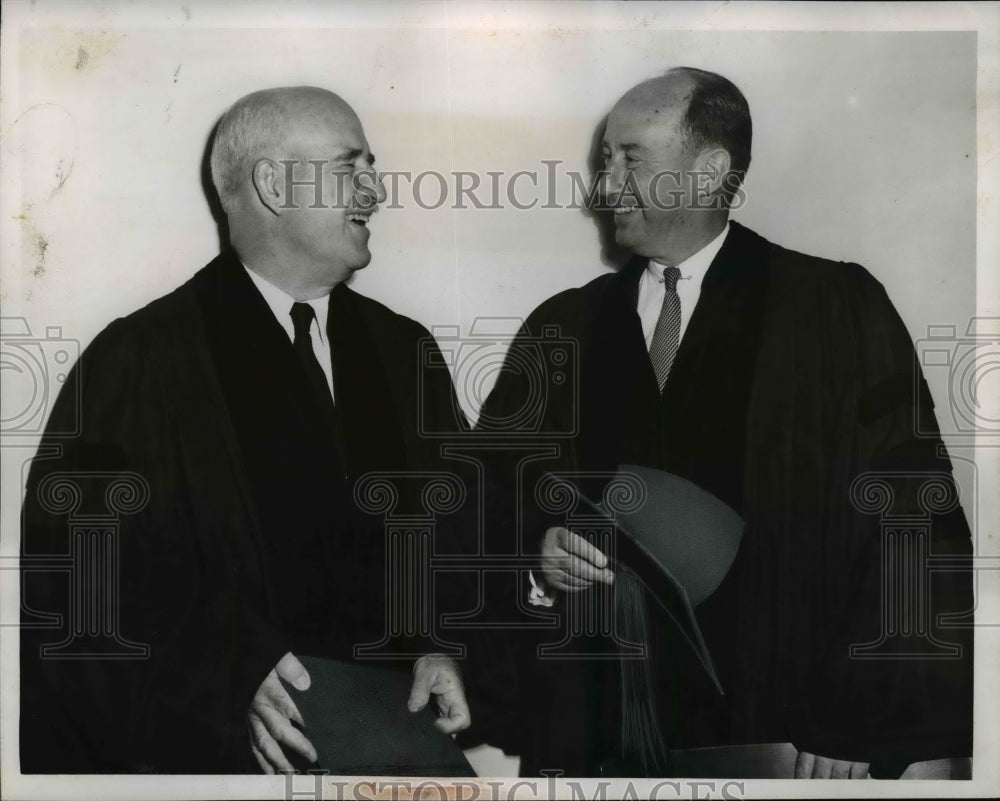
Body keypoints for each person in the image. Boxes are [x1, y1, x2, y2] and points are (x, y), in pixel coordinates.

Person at [477, 67, 973, 778]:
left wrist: (858, 715)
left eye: (629, 159)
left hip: (787, 728)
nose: (604, 185)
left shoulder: (833, 310)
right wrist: (535, 550)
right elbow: (489, 496)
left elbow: (911, 520)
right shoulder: (564, 324)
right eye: (604, 160)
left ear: (708, 171)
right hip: (592, 729)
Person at [20, 87, 472, 774]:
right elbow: (78, 583)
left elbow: (465, 529)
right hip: (226, 751)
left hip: (388, 737)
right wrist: (223, 667)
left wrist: (443, 644)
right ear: (271, 184)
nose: (375, 191)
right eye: (350, 166)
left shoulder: (401, 351)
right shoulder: (140, 362)